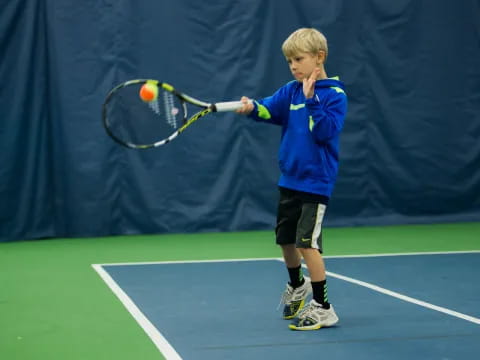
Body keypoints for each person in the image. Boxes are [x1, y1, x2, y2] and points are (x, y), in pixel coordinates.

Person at [236, 28, 347, 330]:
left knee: (307, 244)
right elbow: (268, 108)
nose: (294, 66)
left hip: (316, 183)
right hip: (290, 180)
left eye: (299, 59)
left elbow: (324, 132)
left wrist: (312, 101)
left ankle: (324, 307)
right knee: (286, 240)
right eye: (289, 61)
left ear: (319, 58)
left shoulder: (335, 96)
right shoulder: (291, 90)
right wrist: (251, 108)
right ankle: (298, 285)